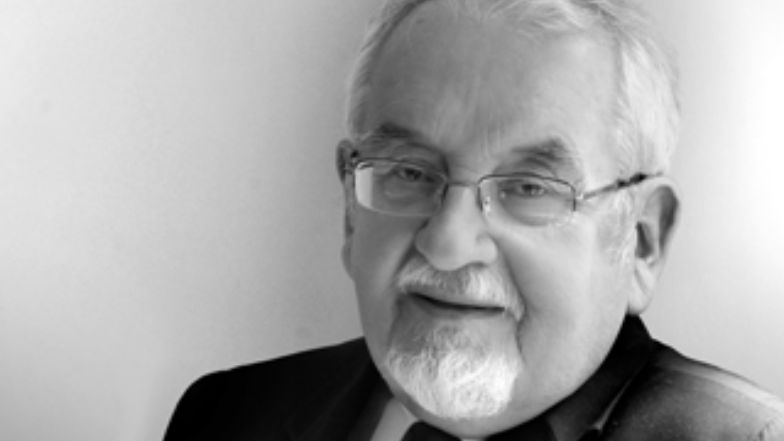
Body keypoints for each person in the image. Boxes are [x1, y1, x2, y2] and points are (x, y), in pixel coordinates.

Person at [163, 0, 784, 439]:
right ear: (351, 210)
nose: (449, 243)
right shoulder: (227, 417)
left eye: (530, 188)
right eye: (409, 172)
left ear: (642, 241)